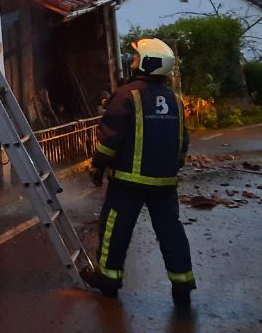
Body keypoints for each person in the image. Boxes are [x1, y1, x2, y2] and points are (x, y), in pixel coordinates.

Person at [84, 37, 196, 305]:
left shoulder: (126, 95)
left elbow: (111, 139)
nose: (132, 62)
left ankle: (108, 281)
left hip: (128, 182)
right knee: (171, 232)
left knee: (115, 229)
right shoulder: (174, 100)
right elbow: (182, 142)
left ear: (149, 63)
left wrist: (98, 165)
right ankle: (182, 285)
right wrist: (172, 167)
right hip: (166, 183)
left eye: (135, 58)